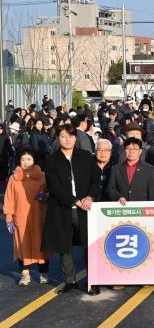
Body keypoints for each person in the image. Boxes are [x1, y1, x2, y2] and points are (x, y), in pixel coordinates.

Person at [41, 124, 102, 295]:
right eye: (63, 136)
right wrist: (74, 200)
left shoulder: (86, 156)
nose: (67, 140)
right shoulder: (52, 160)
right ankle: (70, 281)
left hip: (86, 208)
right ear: (58, 138)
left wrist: (90, 197)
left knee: (89, 245)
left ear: (76, 138)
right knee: (65, 246)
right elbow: (54, 187)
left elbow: (96, 180)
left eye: (70, 136)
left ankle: (93, 281)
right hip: (62, 207)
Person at [4, 149, 48, 285]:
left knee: (41, 246)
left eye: (29, 159)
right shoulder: (13, 178)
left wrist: (45, 196)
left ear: (34, 160)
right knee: (22, 247)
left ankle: (43, 273)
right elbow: (9, 199)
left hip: (39, 217)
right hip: (20, 218)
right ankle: (25, 274)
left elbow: (51, 193)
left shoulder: (43, 176)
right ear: (19, 161)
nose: (26, 162)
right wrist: (9, 218)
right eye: (23, 159)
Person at [106, 137, 154, 205]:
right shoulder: (115, 169)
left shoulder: (150, 169)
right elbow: (110, 189)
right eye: (128, 148)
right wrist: (118, 197)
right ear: (124, 150)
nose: (131, 152)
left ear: (140, 151)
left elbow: (152, 194)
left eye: (134, 149)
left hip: (141, 208)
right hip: (122, 207)